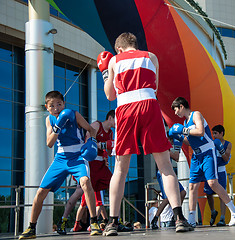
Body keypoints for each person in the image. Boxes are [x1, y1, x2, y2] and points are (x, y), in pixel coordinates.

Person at [98, 32, 192, 236]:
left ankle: (112, 222)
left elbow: (109, 94)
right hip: (149, 105)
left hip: (125, 108)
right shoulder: (151, 57)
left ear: (119, 49)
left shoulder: (114, 60)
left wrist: (105, 73)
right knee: (165, 165)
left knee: (121, 169)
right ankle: (179, 218)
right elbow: (155, 88)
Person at [19, 91, 101, 239]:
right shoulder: (49, 120)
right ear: (47, 107)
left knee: (85, 182)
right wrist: (58, 126)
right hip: (60, 158)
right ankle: (31, 228)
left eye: (59, 104)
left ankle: (94, 222)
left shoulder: (74, 114)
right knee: (40, 192)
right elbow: (49, 143)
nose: (56, 108)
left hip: (78, 155)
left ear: (64, 104)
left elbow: (91, 129)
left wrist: (92, 141)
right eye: (52, 105)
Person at [169, 97, 235, 227]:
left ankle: (234, 211)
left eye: (175, 110)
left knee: (213, 183)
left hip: (208, 152)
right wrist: (178, 136)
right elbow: (190, 140)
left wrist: (183, 131)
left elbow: (200, 131)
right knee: (192, 187)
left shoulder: (196, 114)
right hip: (197, 155)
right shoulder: (185, 122)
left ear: (181, 106)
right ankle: (191, 219)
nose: (175, 113)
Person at [74, 110, 116, 232]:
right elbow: (88, 142)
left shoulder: (111, 133)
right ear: (110, 118)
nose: (117, 123)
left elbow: (109, 152)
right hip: (91, 163)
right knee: (84, 200)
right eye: (116, 120)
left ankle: (113, 220)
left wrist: (110, 148)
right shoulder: (97, 125)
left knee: (114, 185)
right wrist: (103, 145)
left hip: (101, 165)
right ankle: (77, 223)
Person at [151, 136, 187, 229]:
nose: (172, 142)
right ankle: (155, 219)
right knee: (167, 199)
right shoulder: (164, 148)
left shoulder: (166, 147)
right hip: (163, 174)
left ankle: (177, 215)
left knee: (182, 193)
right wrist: (178, 147)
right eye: (171, 140)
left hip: (169, 173)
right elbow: (176, 157)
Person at [203, 125, 232, 226]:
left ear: (221, 133)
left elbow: (226, 159)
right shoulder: (211, 143)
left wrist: (221, 149)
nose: (214, 135)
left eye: (215, 133)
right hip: (210, 170)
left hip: (220, 171)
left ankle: (222, 218)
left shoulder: (228, 144)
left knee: (222, 194)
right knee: (208, 193)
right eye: (213, 133)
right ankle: (213, 211)